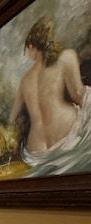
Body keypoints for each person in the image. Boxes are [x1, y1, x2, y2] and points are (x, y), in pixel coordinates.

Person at [8, 16, 91, 177]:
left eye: (27, 50)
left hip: (36, 151)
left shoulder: (25, 79)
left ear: (32, 46)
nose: (27, 54)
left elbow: (12, 118)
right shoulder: (67, 56)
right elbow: (78, 94)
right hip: (67, 135)